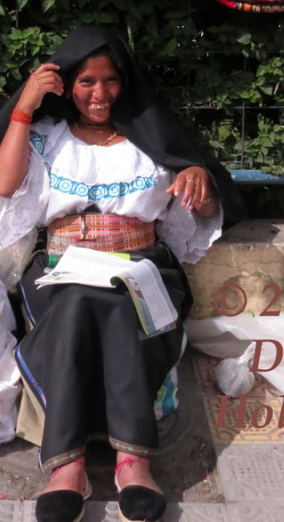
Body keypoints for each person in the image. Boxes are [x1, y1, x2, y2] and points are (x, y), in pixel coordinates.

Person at [0, 26, 245, 522]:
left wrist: (199, 177)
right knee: (75, 301)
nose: (100, 94)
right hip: (61, 268)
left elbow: (210, 200)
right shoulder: (48, 139)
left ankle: (132, 463)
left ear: (125, 81)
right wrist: (25, 104)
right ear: (67, 84)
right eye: (86, 81)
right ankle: (68, 468)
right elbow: (5, 184)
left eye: (111, 80)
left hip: (141, 266)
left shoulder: (153, 141)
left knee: (115, 299)